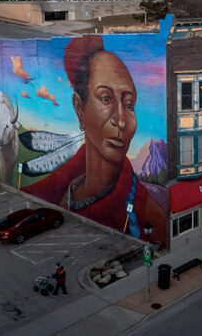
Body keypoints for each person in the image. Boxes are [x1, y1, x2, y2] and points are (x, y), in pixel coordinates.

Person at [23, 35, 167, 245]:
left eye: (129, 104)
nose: (120, 120)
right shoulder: (69, 187)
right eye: (106, 98)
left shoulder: (148, 213)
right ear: (80, 108)